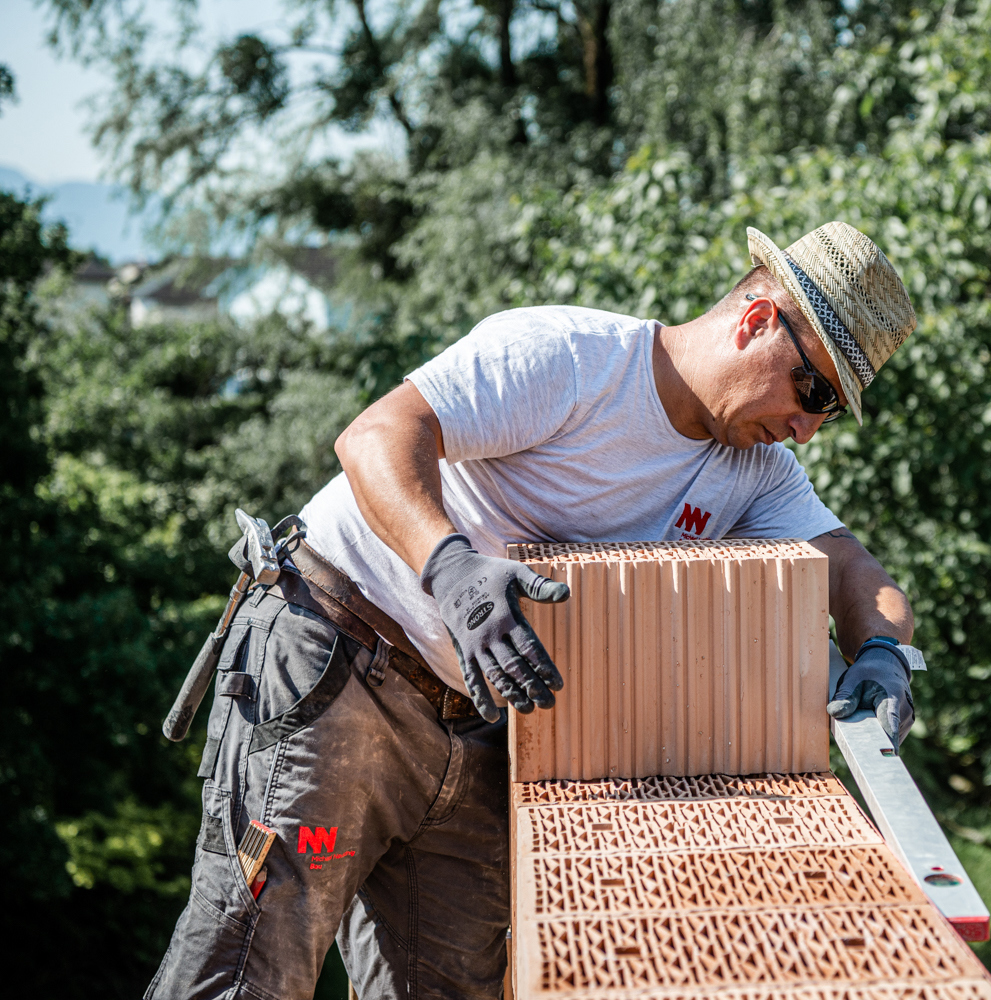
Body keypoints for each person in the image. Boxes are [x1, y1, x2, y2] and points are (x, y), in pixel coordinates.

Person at [147, 221, 922, 1000]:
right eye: (814, 391)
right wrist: (448, 566)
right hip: (337, 662)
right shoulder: (574, 360)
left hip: (482, 726)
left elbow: (856, 572)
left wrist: (883, 654)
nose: (807, 428)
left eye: (830, 413)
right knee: (247, 973)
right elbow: (376, 436)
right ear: (757, 321)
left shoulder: (755, 472)